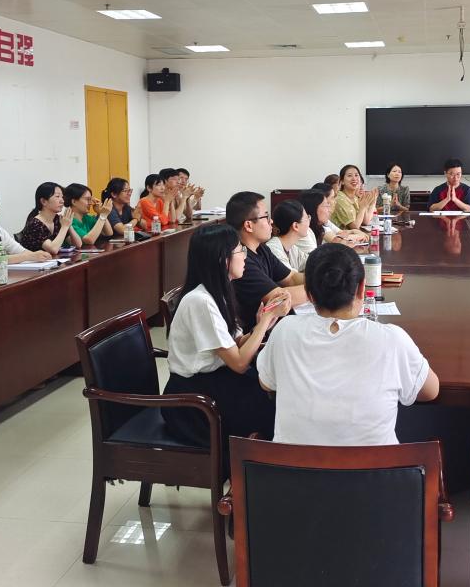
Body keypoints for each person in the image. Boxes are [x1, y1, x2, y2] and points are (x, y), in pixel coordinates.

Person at [257, 243, 439, 445]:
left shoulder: (284, 330)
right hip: (375, 466)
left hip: (292, 465)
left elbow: (266, 382)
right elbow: (431, 391)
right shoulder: (393, 339)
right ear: (362, 288)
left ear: (309, 294)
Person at [162, 224, 288, 448]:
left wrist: (260, 324)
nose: (245, 256)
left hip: (214, 379)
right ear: (223, 259)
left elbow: (235, 343)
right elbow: (238, 363)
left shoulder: (218, 291)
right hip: (193, 400)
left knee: (274, 391)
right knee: (269, 405)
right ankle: (254, 464)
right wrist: (265, 322)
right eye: (240, 250)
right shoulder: (200, 301)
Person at [227, 191, 307, 332]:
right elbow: (280, 299)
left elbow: (291, 278)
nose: (271, 222)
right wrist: (326, 287)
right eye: (266, 217)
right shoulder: (241, 260)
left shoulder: (261, 249)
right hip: (255, 336)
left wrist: (322, 278)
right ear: (249, 225)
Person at [17, 182, 80, 255]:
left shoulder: (57, 220)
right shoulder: (35, 224)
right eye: (57, 196)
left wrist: (69, 225)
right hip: (33, 261)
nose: (62, 201)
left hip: (53, 260)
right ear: (43, 201)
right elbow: (53, 249)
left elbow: (78, 244)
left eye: (62, 197)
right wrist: (65, 226)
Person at [299, 187, 368, 252]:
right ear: (313, 208)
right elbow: (339, 243)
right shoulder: (305, 231)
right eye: (326, 205)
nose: (329, 209)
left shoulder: (320, 226)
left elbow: (341, 237)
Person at [265, 199, 312, 271]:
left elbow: (310, 262)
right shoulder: (273, 249)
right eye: (307, 218)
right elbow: (291, 276)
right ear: (295, 226)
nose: (309, 221)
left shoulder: (292, 248)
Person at [331, 164, 378, 230]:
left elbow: (365, 222)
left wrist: (373, 200)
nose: (354, 179)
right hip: (340, 236)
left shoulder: (355, 197)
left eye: (356, 175)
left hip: (354, 235)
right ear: (342, 181)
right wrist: (363, 207)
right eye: (349, 176)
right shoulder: (340, 199)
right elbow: (355, 227)